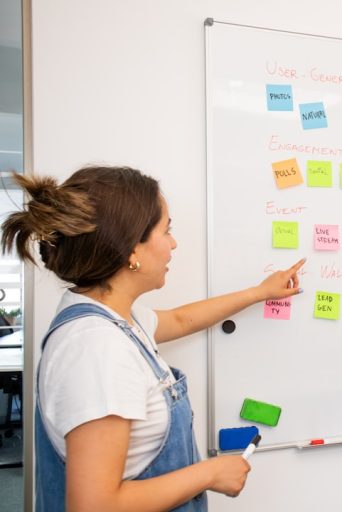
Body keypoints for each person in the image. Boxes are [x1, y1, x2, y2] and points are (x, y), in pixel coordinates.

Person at [1, 166, 306, 511]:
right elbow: (94, 505)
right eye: (166, 230)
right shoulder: (97, 348)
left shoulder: (112, 319)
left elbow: (181, 319)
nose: (173, 243)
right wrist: (209, 473)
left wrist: (260, 292)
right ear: (132, 250)